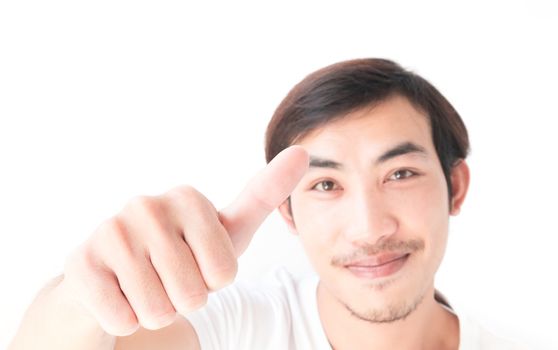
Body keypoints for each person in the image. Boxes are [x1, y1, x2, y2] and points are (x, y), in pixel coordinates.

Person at [9, 58, 523, 349]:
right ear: (287, 212)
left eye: (401, 173)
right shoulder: (236, 328)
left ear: (456, 187)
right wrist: (87, 292)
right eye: (325, 185)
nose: (369, 227)